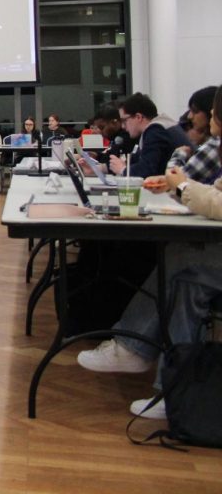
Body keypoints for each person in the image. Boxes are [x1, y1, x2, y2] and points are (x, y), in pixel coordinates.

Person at [77, 84, 222, 419]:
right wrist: (180, 179)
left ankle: (132, 348)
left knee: (178, 256)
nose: (204, 117)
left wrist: (181, 183)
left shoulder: (171, 134)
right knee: (186, 285)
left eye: (213, 111)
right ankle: (173, 395)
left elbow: (206, 193)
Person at [108, 93, 190, 178]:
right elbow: (136, 160)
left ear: (138, 117)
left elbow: (147, 170)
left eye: (124, 120)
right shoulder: (162, 126)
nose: (123, 126)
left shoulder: (156, 130)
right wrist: (105, 167)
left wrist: (123, 170)